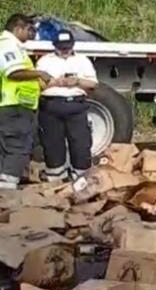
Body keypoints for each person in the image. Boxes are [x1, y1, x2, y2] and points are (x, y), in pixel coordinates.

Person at [37, 29, 98, 182]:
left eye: (67, 47)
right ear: (54, 45)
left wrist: (77, 81)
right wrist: (57, 82)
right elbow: (38, 85)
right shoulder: (45, 61)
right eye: (61, 47)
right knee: (52, 144)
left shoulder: (82, 60)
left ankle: (81, 177)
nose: (64, 50)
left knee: (81, 143)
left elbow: (93, 84)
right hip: (51, 105)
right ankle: (55, 177)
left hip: (75, 104)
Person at [0, 14, 51, 190]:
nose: (31, 34)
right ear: (18, 28)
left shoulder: (10, 45)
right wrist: (39, 74)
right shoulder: (9, 45)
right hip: (14, 106)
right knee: (17, 146)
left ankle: (4, 184)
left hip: (13, 106)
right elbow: (13, 72)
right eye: (30, 30)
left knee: (7, 147)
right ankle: (7, 190)